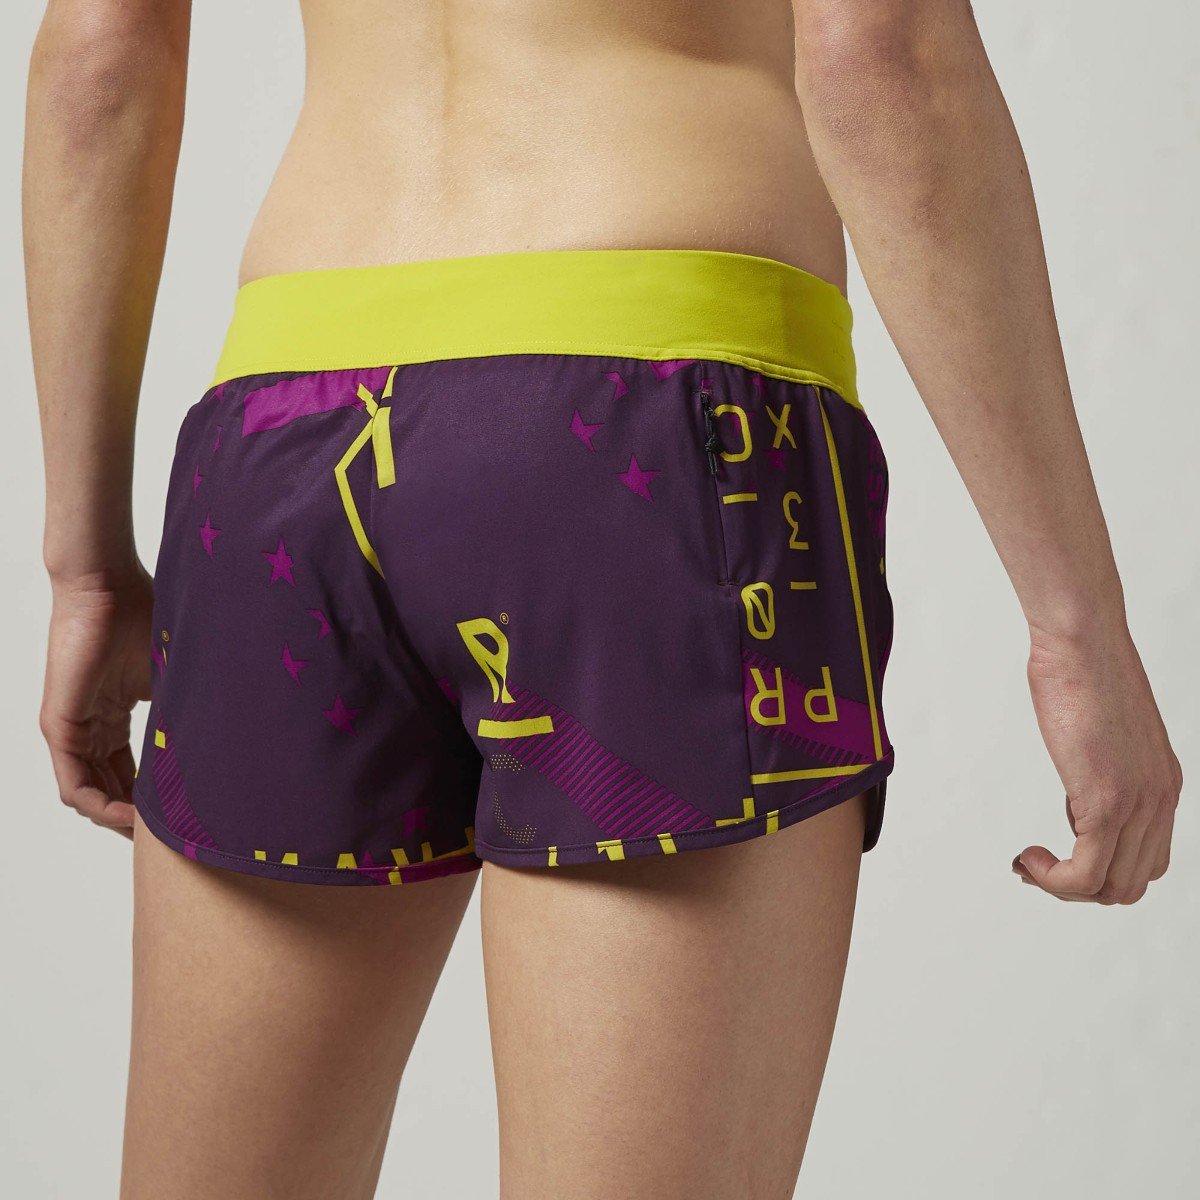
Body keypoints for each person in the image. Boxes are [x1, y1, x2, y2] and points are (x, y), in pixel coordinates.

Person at [24, 1, 1181, 1196]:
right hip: (646, 426)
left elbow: (101, 54)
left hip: (284, 445)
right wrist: (1073, 627)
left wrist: (87, 567)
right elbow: (885, 52)